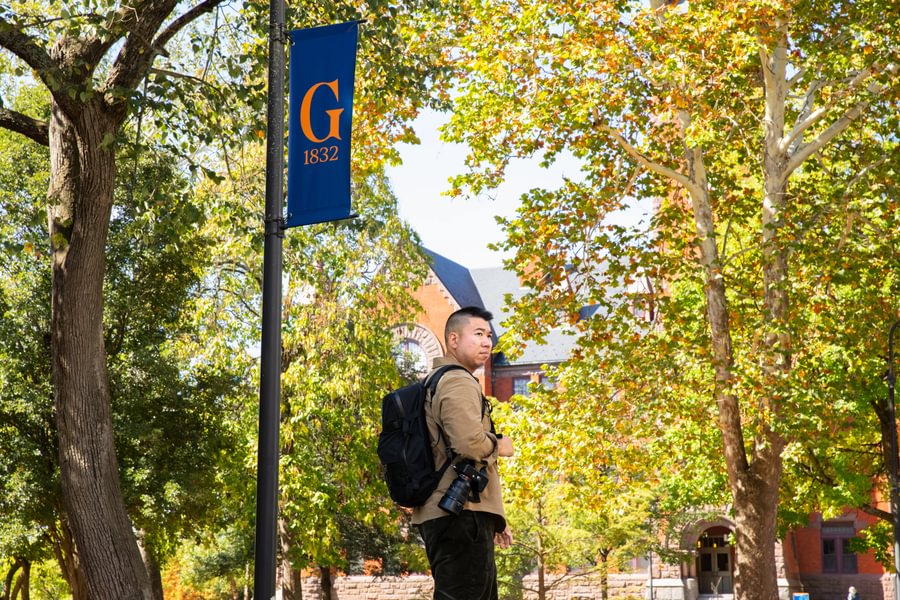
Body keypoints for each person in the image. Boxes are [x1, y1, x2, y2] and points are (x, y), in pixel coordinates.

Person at [412, 306, 515, 600]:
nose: (487, 342)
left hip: (457, 511)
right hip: (460, 516)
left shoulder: (436, 380)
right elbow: (468, 444)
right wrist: (500, 445)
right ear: (454, 340)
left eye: (489, 336)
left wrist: (495, 518)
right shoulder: (457, 380)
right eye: (478, 334)